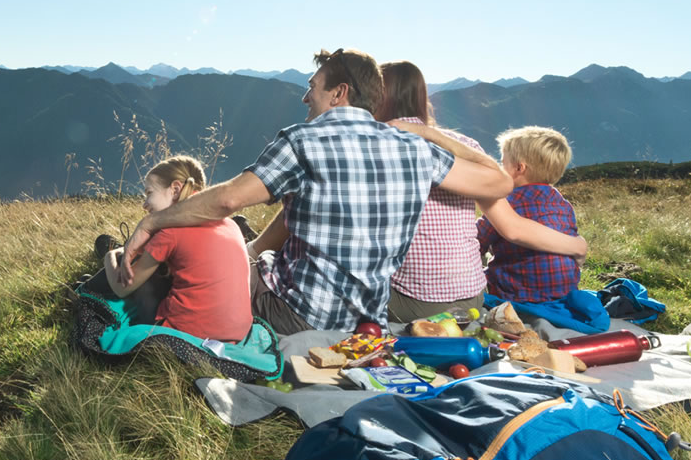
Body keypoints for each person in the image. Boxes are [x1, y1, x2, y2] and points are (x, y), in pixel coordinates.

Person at [118, 48, 512, 334]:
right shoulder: (418, 150)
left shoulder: (302, 141)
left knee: (199, 242)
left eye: (313, 87)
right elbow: (500, 182)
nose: (306, 97)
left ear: (339, 93)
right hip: (366, 323)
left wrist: (155, 219)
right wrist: (430, 134)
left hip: (294, 312)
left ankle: (123, 278)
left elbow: (226, 200)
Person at [373, 62, 589, 324]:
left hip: (416, 302)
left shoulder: (376, 145)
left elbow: (510, 231)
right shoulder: (467, 145)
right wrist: (577, 244)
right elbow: (512, 227)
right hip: (472, 297)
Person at [100, 156, 254, 342]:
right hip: (237, 333)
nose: (144, 204)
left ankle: (87, 282)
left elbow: (122, 289)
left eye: (149, 193)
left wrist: (111, 255)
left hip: (185, 335)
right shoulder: (231, 224)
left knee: (144, 284)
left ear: (175, 189)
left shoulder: (169, 233)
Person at [477, 125, 608, 333]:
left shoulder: (506, 203)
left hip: (517, 296)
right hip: (563, 293)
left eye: (503, 163)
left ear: (519, 168)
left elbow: (476, 242)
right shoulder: (563, 204)